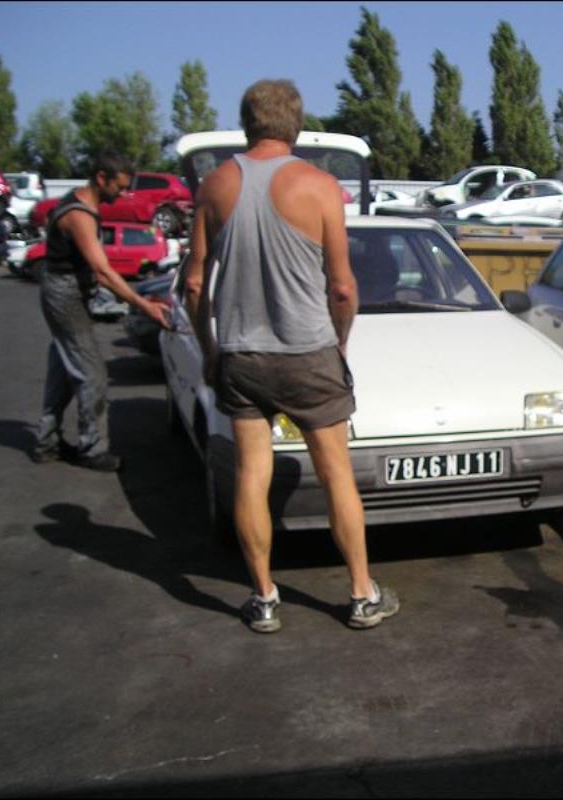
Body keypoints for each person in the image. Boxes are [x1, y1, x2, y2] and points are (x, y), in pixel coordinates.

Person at [184, 78, 399, 634]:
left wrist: (209, 348)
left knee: (251, 475)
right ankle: (360, 594)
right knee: (336, 476)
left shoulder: (214, 185)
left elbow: (192, 286)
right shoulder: (320, 185)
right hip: (309, 353)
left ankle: (263, 599)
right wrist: (341, 341)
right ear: (295, 125)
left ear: (247, 122)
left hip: (241, 354)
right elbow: (344, 288)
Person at [31, 151, 171, 471]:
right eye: (118, 188)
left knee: (65, 370)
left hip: (64, 290)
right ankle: (92, 448)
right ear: (100, 178)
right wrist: (143, 304)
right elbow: (103, 271)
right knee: (92, 372)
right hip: (64, 294)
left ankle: (47, 442)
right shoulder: (80, 215)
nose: (122, 194)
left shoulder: (80, 203)